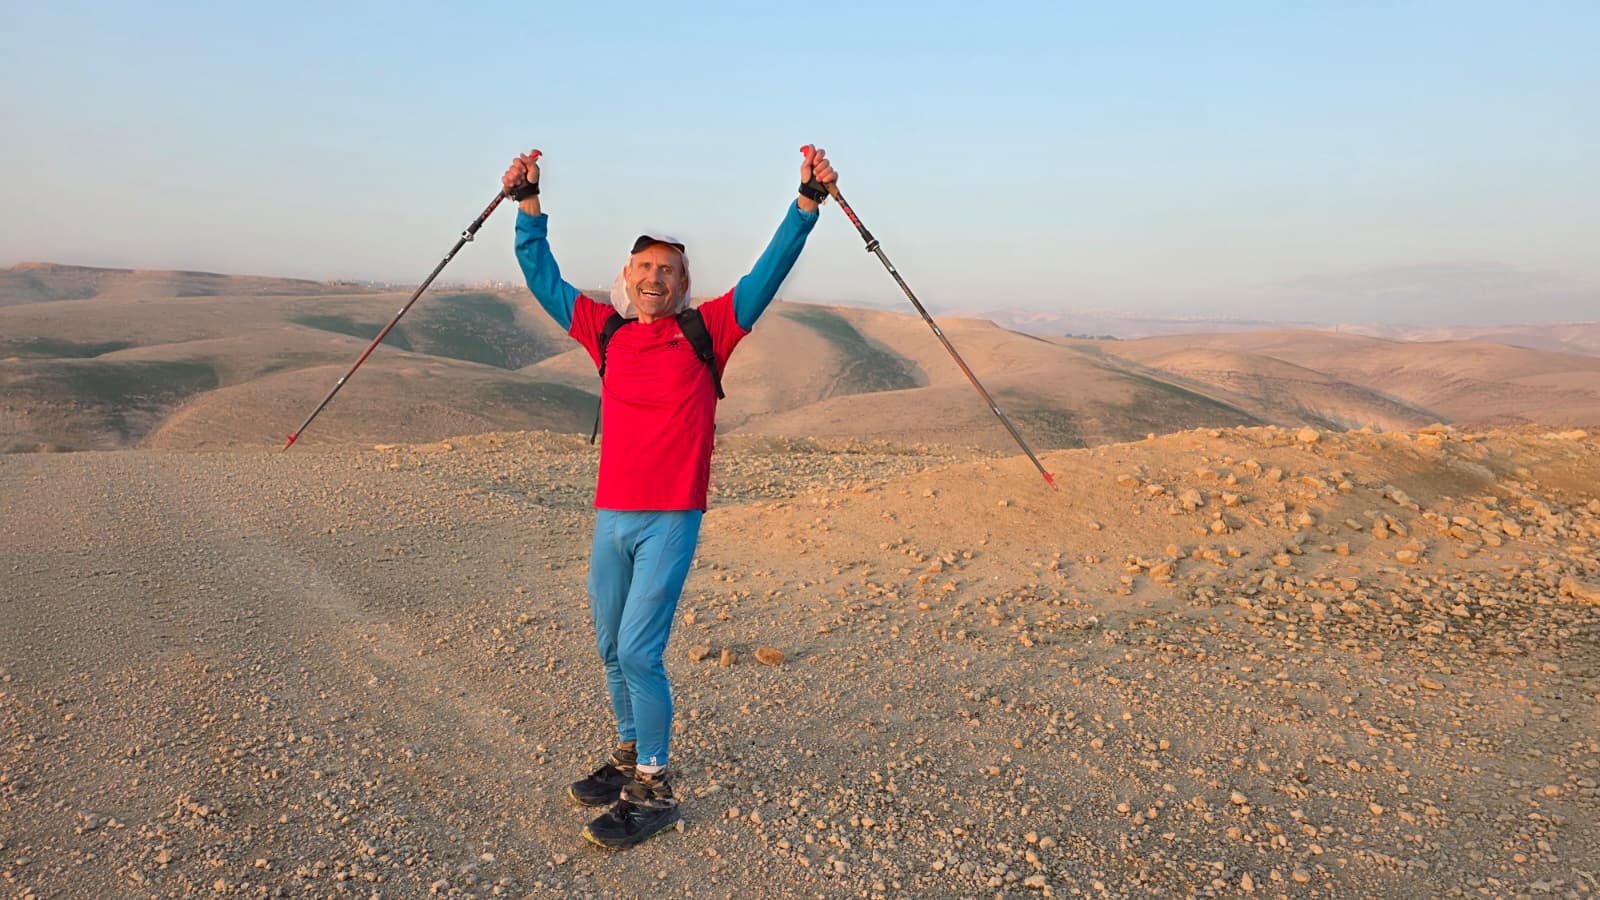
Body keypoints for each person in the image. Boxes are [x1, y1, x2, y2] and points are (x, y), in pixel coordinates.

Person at [503, 145, 837, 849]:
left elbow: (768, 271)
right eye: (645, 267)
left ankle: (654, 788)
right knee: (608, 645)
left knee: (638, 650)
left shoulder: (708, 330)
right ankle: (629, 753)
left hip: (670, 518)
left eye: (668, 270)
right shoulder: (605, 331)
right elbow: (542, 278)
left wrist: (806, 203)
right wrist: (529, 206)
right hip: (611, 517)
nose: (655, 277)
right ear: (626, 277)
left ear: (684, 283)